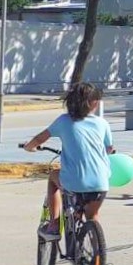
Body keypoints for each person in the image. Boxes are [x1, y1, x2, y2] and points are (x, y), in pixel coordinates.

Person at [25, 83, 116, 241]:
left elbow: (40, 138)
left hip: (73, 182)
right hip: (100, 183)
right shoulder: (103, 123)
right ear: (93, 103)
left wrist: (29, 147)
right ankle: (97, 259)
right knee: (92, 216)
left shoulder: (63, 121)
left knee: (53, 176)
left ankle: (54, 225)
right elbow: (109, 149)